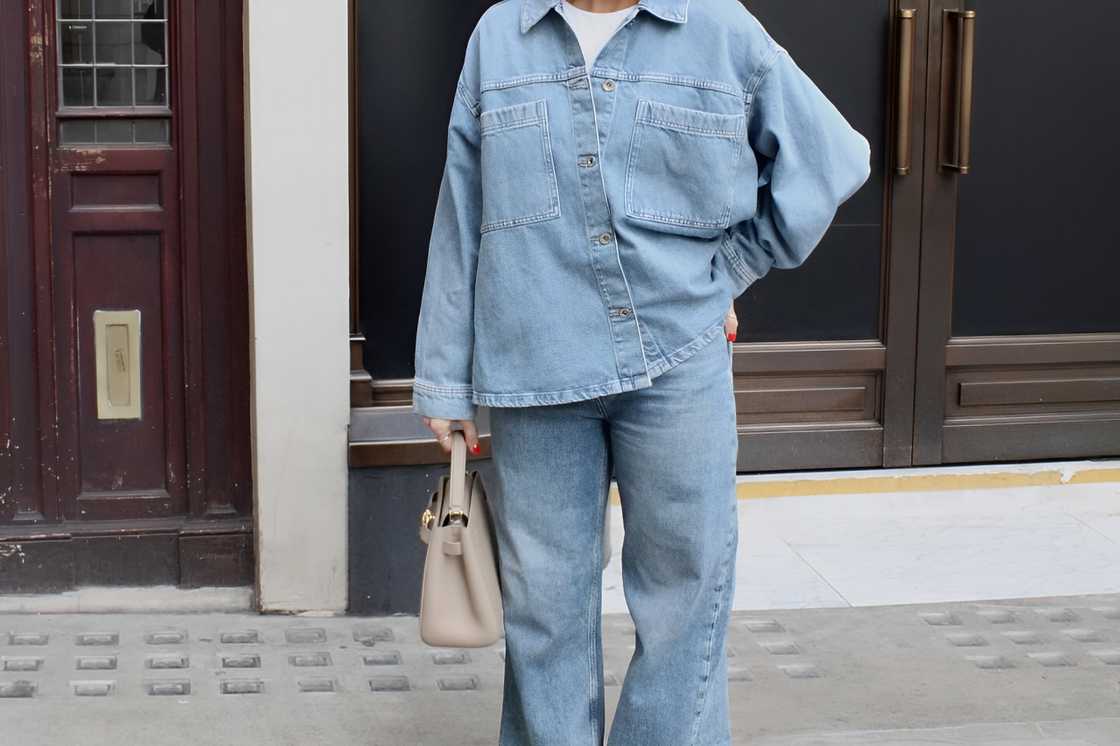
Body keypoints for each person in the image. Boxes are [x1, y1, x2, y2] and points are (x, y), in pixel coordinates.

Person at [412, 0, 871, 743]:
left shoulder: (720, 30)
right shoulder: (500, 36)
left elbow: (829, 159)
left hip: (676, 361)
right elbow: (463, 210)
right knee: (543, 608)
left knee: (685, 597)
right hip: (535, 370)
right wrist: (444, 376)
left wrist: (729, 271)